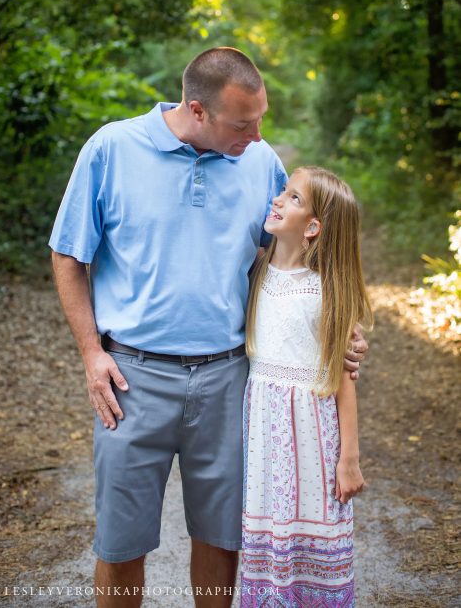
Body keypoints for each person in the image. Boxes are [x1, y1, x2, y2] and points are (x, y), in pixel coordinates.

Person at [49, 47, 368, 608]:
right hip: (132, 379)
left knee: (221, 539)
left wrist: (336, 331)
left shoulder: (260, 160)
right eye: (243, 123)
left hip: (229, 381)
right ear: (198, 110)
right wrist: (90, 354)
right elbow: (69, 255)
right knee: (121, 544)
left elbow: (288, 266)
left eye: (261, 118)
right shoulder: (112, 150)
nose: (257, 133)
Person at [241, 165, 373, 607]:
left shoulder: (325, 291)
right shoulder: (255, 273)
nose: (278, 200)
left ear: (314, 227)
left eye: (293, 198)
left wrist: (349, 459)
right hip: (264, 434)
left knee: (311, 536)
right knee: (269, 535)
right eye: (283, 191)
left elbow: (342, 380)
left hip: (312, 437)